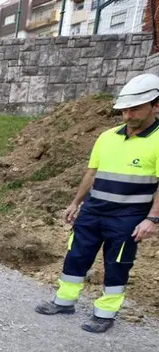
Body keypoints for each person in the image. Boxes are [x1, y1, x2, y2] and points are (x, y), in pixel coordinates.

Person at [35, 73, 159, 333]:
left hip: (128, 217)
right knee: (76, 256)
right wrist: (75, 203)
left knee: (117, 264)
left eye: (135, 109)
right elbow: (91, 173)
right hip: (93, 210)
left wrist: (152, 219)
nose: (128, 116)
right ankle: (64, 300)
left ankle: (105, 313)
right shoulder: (107, 137)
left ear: (155, 106)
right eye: (125, 110)